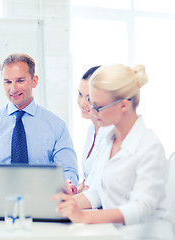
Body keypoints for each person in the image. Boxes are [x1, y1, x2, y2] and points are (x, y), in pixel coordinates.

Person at [52, 64, 173, 239]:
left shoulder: (149, 146)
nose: (93, 112)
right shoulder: (109, 138)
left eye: (98, 107)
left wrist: (84, 216)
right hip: (111, 232)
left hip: (142, 234)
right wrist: (64, 204)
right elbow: (97, 191)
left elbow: (141, 208)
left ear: (124, 105)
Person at [0, 53, 78, 195]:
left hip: (44, 200)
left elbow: (68, 171)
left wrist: (68, 184)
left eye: (20, 81)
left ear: (34, 81)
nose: (13, 89)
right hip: (0, 202)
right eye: (8, 82)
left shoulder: (56, 126)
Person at [74, 65, 112, 193]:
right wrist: (77, 189)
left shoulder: (111, 132)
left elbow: (98, 187)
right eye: (80, 94)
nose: (82, 103)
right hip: (90, 202)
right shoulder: (91, 129)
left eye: (89, 98)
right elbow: (88, 180)